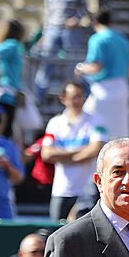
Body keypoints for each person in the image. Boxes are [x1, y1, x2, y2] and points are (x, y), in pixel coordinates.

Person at [41, 80, 107, 222]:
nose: (78, 101)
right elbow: (46, 154)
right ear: (63, 98)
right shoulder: (55, 123)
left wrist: (62, 155)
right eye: (73, 97)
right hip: (61, 190)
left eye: (80, 96)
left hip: (88, 191)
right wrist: (80, 152)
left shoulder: (97, 120)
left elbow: (95, 149)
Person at [75, 10, 129, 140]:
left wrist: (81, 68)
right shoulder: (122, 39)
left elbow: (97, 67)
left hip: (104, 90)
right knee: (120, 133)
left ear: (94, 22)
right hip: (122, 87)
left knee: (95, 130)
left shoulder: (97, 39)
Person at [34, 0, 88, 101]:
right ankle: (39, 97)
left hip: (71, 30)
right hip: (52, 28)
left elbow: (84, 7)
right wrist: (45, 32)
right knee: (46, 63)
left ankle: (74, 96)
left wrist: (75, 19)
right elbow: (47, 10)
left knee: (73, 64)